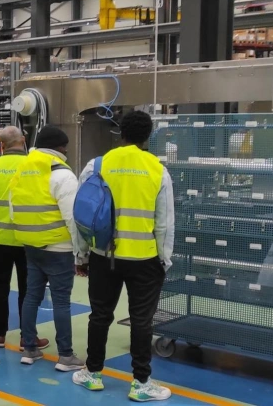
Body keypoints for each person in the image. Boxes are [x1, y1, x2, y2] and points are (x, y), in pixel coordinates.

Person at [72, 110, 174, 402]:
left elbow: (81, 214)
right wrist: (164, 259)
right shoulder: (157, 170)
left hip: (104, 255)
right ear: (148, 136)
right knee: (142, 321)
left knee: (100, 316)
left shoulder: (97, 165)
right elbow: (165, 223)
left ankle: (93, 374)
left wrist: (81, 255)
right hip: (145, 259)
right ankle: (141, 383)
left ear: (121, 133)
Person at [8, 126, 85, 370]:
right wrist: (80, 252)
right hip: (59, 247)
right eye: (65, 147)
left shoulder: (22, 170)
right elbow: (73, 217)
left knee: (32, 295)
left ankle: (29, 349)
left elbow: (13, 209)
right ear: (60, 147)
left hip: (30, 245)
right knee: (61, 301)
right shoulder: (62, 174)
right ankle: (66, 356)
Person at [0, 126, 48, 350]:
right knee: (28, 289)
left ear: (1, 144)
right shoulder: (35, 165)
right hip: (28, 239)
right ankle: (27, 337)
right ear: (23, 140)